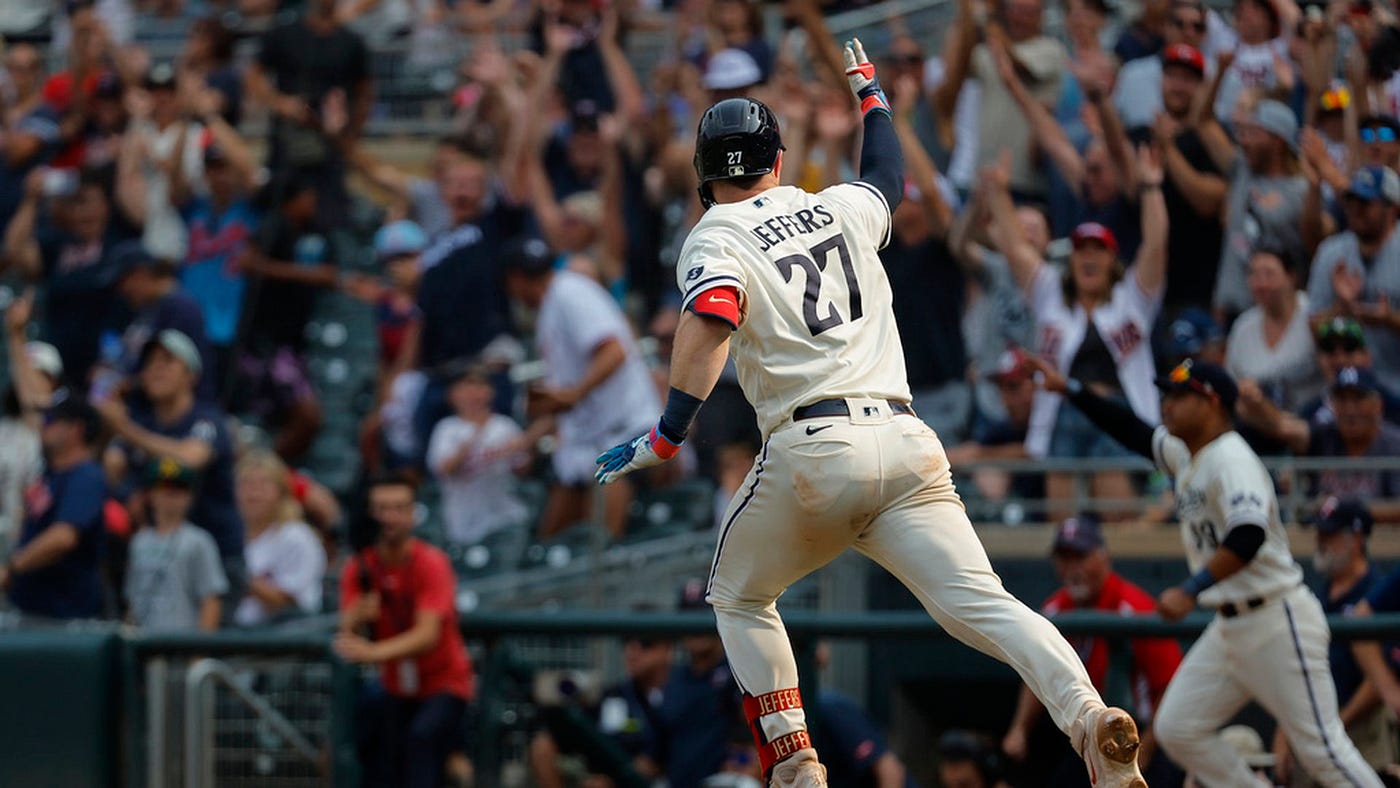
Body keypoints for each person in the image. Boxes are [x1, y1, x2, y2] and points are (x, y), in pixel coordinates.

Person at [594, 42, 1149, 788]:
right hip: (906, 440)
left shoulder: (713, 235)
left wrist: (668, 433)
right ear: (777, 159)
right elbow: (887, 178)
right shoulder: (831, 207)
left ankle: (793, 766)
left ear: (703, 170)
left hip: (815, 447)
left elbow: (713, 317)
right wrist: (872, 100)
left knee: (737, 593)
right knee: (983, 604)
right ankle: (1087, 717)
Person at [1026, 353, 1382, 788]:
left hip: (1276, 617)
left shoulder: (1231, 457)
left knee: (1323, 751)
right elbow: (1135, 433)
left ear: (1211, 401)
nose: (1167, 404)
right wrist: (1071, 390)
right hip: (1230, 626)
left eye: (1179, 394)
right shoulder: (1188, 453)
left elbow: (1247, 536)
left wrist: (1191, 589)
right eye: (1167, 394)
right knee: (1178, 729)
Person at [986, 140, 1168, 520]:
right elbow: (1018, 250)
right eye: (1081, 250)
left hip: (1116, 412)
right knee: (1061, 522)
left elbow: (1156, 245)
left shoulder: (1132, 297)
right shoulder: (1051, 293)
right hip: (1063, 412)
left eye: (1097, 249)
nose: (1088, 256)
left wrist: (1150, 187)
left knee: (1117, 516)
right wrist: (999, 194)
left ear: (1111, 259)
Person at [1002, 515, 1184, 787]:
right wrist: (1020, 728)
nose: (1072, 568)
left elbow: (1170, 687)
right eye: (1065, 558)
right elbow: (1038, 673)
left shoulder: (1132, 607)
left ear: (1104, 557)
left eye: (1080, 557)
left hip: (1138, 737)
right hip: (1085, 738)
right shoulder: (1055, 609)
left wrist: (1142, 753)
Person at [503, 236, 659, 541]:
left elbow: (614, 351)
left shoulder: (568, 292)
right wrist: (532, 437)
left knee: (597, 542)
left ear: (515, 279)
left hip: (620, 427)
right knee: (554, 537)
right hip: (590, 435)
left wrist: (575, 392)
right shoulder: (554, 299)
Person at [334, 473, 474, 788]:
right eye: (382, 508)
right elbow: (345, 632)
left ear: (412, 513)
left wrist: (373, 652)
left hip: (443, 682)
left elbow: (428, 635)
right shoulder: (361, 567)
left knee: (422, 742)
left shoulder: (430, 562)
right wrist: (354, 619)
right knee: (379, 750)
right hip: (394, 685)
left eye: (398, 508)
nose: (390, 517)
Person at [97, 329, 244, 611]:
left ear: (191, 375)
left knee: (205, 652)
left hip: (216, 557)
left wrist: (124, 427)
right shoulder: (143, 421)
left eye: (168, 361)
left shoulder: (206, 419)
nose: (156, 369)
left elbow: (190, 458)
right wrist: (108, 426)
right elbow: (110, 468)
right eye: (150, 363)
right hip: (158, 555)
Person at [1274, 497, 1395, 786]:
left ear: (1355, 540)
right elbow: (1293, 664)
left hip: (1361, 733)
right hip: (1313, 730)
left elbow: (1381, 677)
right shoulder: (1314, 595)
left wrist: (1336, 723)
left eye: (1329, 534)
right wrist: (1284, 729)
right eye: (1319, 533)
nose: (1320, 541)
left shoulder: (1379, 592)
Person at [1236, 366, 1400, 522]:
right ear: (1333, 405)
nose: (1350, 410)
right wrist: (1255, 400)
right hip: (1323, 541)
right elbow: (1279, 426)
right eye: (1342, 399)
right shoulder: (1324, 436)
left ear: (1378, 405)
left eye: (1358, 398)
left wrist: (1346, 510)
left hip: (1383, 543)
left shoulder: (1394, 444)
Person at [0, 395, 106, 620]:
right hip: (31, 611)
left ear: (76, 429)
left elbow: (63, 538)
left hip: (64, 617)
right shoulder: (51, 475)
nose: (42, 426)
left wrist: (12, 568)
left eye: (50, 420)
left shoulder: (86, 476)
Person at [1305, 165, 1400, 393]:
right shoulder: (1331, 252)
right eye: (1352, 202)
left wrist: (1389, 319)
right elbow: (1315, 327)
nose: (1356, 210)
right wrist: (1342, 307)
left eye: (1366, 203)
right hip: (1346, 390)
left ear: (1392, 209)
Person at [426, 365, 530, 548]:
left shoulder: (504, 426)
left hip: (505, 520)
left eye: (480, 385)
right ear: (452, 394)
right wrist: (472, 440)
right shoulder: (446, 429)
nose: (474, 392)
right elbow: (444, 469)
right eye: (467, 386)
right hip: (463, 526)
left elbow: (523, 470)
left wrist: (520, 449)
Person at [124, 458, 227, 631]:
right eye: (164, 488)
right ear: (150, 494)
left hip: (182, 643)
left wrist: (199, 652)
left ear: (190, 497)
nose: (171, 495)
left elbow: (211, 600)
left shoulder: (200, 541)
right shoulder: (139, 541)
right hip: (143, 644)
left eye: (178, 489)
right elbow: (133, 600)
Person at [1224, 241, 1322, 412]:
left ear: (1291, 276)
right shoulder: (1242, 327)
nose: (1261, 284)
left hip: (1311, 421)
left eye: (1269, 274)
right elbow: (1232, 382)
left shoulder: (1315, 315)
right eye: (1254, 275)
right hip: (1257, 423)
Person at [233, 450, 326, 627]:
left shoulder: (296, 536)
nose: (254, 492)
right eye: (246, 484)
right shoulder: (229, 537)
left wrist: (239, 578)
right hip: (232, 634)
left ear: (281, 493)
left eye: (263, 484)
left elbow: (288, 601)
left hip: (285, 638)